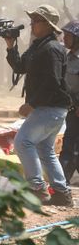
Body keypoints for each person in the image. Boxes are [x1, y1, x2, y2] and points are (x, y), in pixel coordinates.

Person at [4, 5, 73, 206]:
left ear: (48, 25)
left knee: (23, 142)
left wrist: (31, 104)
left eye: (36, 20)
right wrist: (10, 46)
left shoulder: (51, 48)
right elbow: (19, 66)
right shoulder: (39, 46)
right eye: (32, 20)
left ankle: (37, 189)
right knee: (45, 149)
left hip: (49, 108)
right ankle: (61, 193)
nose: (32, 24)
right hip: (53, 109)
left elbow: (52, 81)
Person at [59, 20, 79, 184]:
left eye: (68, 35)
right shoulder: (67, 57)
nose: (64, 38)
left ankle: (61, 182)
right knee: (71, 144)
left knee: (71, 147)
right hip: (72, 108)